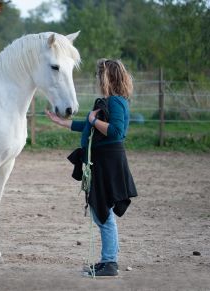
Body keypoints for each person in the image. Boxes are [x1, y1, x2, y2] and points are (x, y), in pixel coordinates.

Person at [46, 59, 138, 277]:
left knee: (103, 212)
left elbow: (116, 132)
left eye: (99, 76)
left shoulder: (115, 102)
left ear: (107, 78)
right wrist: (61, 122)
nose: (97, 80)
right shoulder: (110, 101)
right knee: (101, 211)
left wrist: (93, 120)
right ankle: (108, 260)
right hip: (102, 159)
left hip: (108, 161)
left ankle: (110, 263)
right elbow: (88, 125)